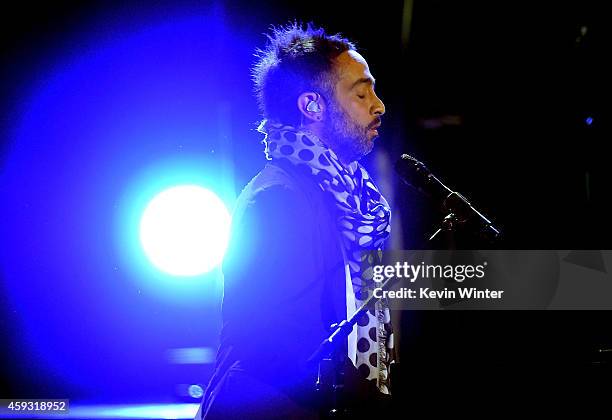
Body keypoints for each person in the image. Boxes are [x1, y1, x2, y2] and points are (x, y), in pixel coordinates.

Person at [196, 22, 394, 419]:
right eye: (361, 92)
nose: (378, 105)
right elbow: (284, 345)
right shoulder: (278, 199)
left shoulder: (344, 196)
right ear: (312, 106)